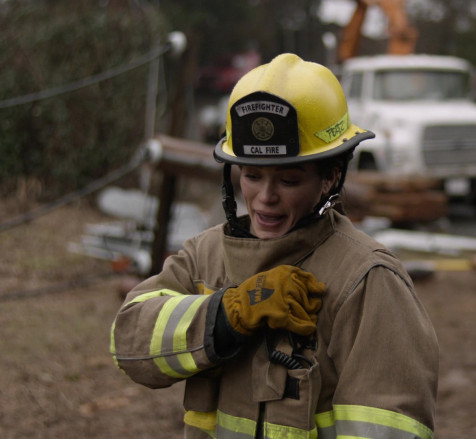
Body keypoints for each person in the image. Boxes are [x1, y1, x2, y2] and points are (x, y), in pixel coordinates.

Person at [111, 53, 439, 438]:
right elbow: (129, 345)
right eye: (251, 175)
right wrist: (227, 313)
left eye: (289, 180)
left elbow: (386, 429)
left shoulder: (366, 280)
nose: (265, 197)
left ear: (330, 177)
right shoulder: (207, 256)